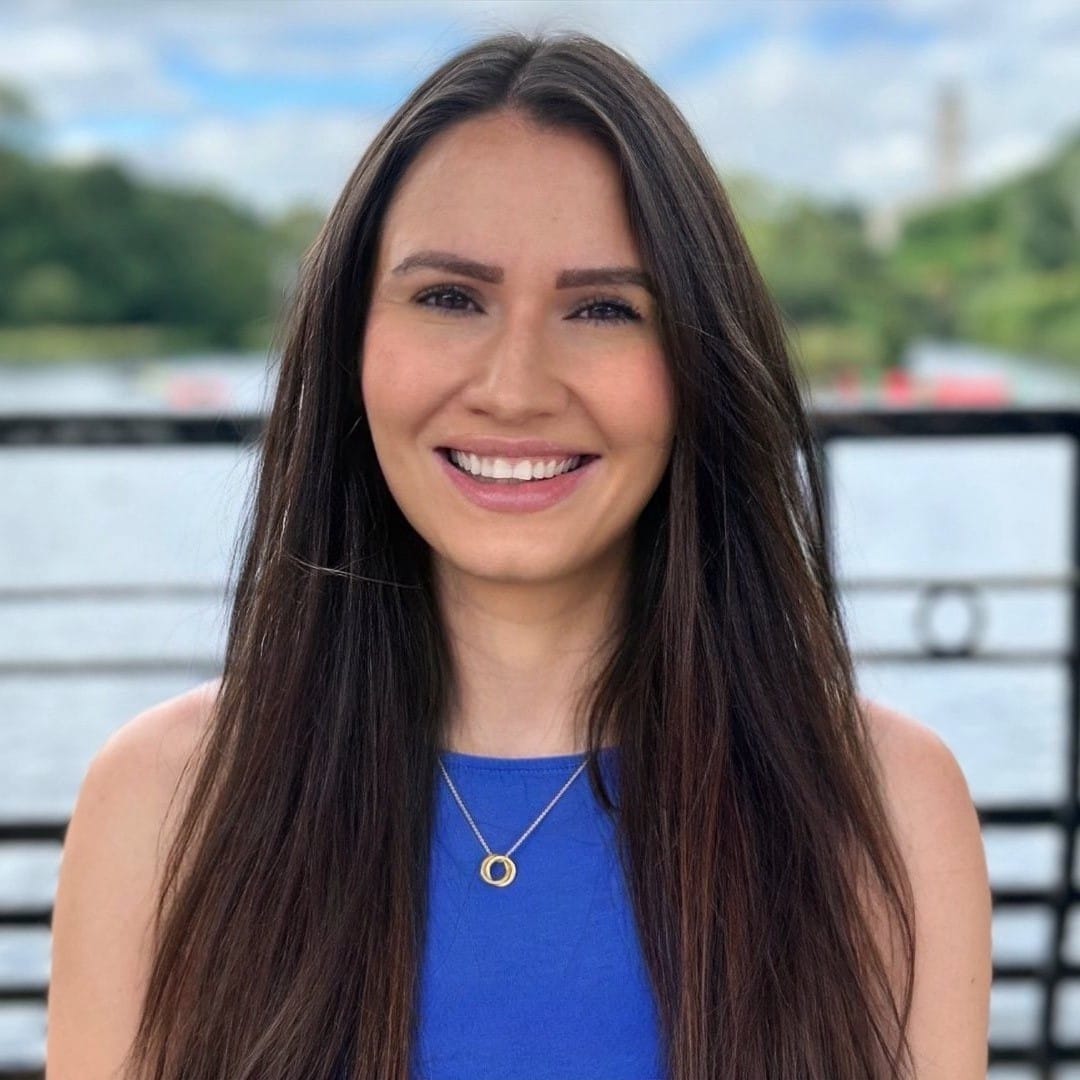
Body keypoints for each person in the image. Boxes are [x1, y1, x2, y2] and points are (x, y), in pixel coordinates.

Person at [44, 29, 991, 1080]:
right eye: (450, 297)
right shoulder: (164, 803)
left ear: (697, 361)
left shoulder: (886, 808)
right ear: (352, 338)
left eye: (602, 308)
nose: (516, 385)